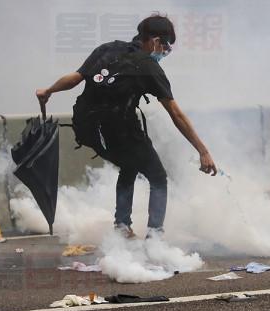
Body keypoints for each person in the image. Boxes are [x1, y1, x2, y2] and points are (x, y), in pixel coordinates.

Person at [36, 14, 217, 239]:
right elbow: (176, 114)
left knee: (129, 165)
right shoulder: (149, 67)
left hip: (88, 128)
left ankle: (122, 227)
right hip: (119, 131)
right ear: (154, 41)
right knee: (158, 177)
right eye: (166, 46)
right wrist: (203, 150)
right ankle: (155, 237)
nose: (165, 52)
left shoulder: (107, 49)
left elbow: (75, 78)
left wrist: (48, 91)